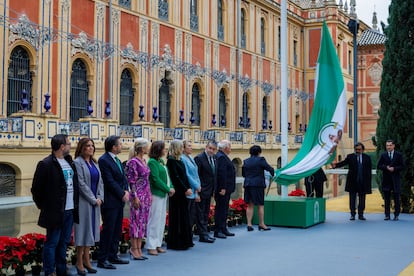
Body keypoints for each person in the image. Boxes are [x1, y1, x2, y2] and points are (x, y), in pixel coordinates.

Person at [31, 134, 79, 276]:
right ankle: (49, 271)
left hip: (69, 209)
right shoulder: (46, 164)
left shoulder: (69, 162)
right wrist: (45, 207)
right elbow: (36, 190)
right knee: (52, 242)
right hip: (55, 211)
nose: (70, 146)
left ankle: (61, 269)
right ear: (62, 146)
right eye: (69, 144)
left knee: (63, 242)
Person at [97, 136, 130, 269]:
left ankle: (113, 255)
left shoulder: (116, 160)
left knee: (117, 229)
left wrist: (126, 190)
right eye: (120, 144)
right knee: (108, 230)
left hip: (119, 200)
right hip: (110, 201)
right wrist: (121, 193)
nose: (122, 146)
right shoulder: (104, 160)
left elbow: (123, 178)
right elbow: (109, 181)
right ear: (113, 147)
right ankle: (102, 258)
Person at [73, 138, 104, 275]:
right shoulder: (77, 163)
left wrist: (100, 198)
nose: (91, 148)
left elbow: (100, 182)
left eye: (92, 146)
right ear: (82, 148)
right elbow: (81, 184)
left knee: (90, 231)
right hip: (84, 203)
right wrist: (93, 199)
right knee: (83, 231)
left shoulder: (94, 163)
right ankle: (79, 261)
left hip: (95, 203)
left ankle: (87, 259)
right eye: (87, 146)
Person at [146, 141, 175, 256]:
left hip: (163, 194)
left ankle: (158, 243)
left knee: (161, 219)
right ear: (158, 149)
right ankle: (151, 245)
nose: (165, 151)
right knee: (154, 220)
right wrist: (168, 189)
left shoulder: (161, 161)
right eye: (163, 149)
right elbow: (155, 179)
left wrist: (171, 187)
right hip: (156, 194)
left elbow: (167, 177)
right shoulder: (152, 162)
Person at [125, 138, 152, 260]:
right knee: (136, 222)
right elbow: (131, 181)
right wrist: (135, 197)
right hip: (137, 195)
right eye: (147, 146)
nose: (148, 148)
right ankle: (134, 248)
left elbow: (147, 180)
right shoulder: (133, 162)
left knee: (142, 222)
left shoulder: (144, 161)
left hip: (145, 195)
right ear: (142, 148)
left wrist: (149, 194)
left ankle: (139, 248)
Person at [332, 142, 372, 221]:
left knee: (362, 199)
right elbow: (344, 163)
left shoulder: (367, 158)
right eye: (356, 149)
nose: (357, 151)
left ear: (362, 150)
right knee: (352, 199)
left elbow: (368, 170)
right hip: (353, 181)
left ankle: (361, 214)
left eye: (359, 149)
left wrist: (368, 183)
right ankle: (352, 214)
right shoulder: (350, 157)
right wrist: (335, 165)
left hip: (363, 182)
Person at [166, 140, 194, 250]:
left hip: (183, 192)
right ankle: (176, 242)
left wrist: (188, 187)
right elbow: (176, 177)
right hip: (177, 193)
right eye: (181, 147)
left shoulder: (179, 160)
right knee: (177, 217)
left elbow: (184, 176)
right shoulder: (171, 161)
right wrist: (185, 188)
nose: (183, 149)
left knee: (184, 216)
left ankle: (186, 240)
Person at [242, 145, 274, 231]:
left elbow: (243, 174)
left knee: (250, 205)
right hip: (258, 185)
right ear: (259, 152)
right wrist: (273, 173)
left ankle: (249, 224)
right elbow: (269, 168)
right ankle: (261, 224)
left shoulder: (246, 161)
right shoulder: (261, 160)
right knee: (260, 205)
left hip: (248, 184)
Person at [194, 140, 217, 243]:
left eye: (213, 149)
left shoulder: (214, 159)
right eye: (210, 148)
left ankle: (205, 233)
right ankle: (203, 235)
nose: (211, 151)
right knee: (200, 213)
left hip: (209, 191)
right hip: (201, 190)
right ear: (206, 147)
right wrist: (197, 192)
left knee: (206, 212)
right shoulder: (199, 158)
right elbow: (196, 175)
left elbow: (213, 176)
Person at [377, 139, 404, 221]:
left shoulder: (399, 155)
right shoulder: (383, 155)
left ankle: (396, 215)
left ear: (393, 146)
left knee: (396, 199)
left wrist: (394, 168)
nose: (388, 147)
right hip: (386, 180)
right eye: (387, 145)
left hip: (395, 180)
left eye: (390, 145)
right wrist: (386, 167)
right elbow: (379, 165)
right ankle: (387, 215)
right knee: (387, 199)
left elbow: (402, 166)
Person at [214, 140, 236, 238]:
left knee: (224, 209)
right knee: (221, 209)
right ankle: (218, 230)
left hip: (226, 188)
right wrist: (222, 187)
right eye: (230, 146)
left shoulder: (222, 156)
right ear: (226, 147)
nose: (230, 148)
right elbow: (221, 174)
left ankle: (223, 228)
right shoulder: (221, 157)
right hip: (223, 189)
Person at [181, 140, 201, 240]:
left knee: (192, 215)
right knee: (188, 215)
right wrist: (196, 185)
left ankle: (190, 235)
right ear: (183, 148)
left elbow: (196, 173)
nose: (191, 147)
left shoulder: (191, 158)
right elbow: (187, 175)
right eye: (189, 146)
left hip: (194, 189)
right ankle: (186, 236)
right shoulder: (182, 159)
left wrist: (198, 187)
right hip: (189, 189)